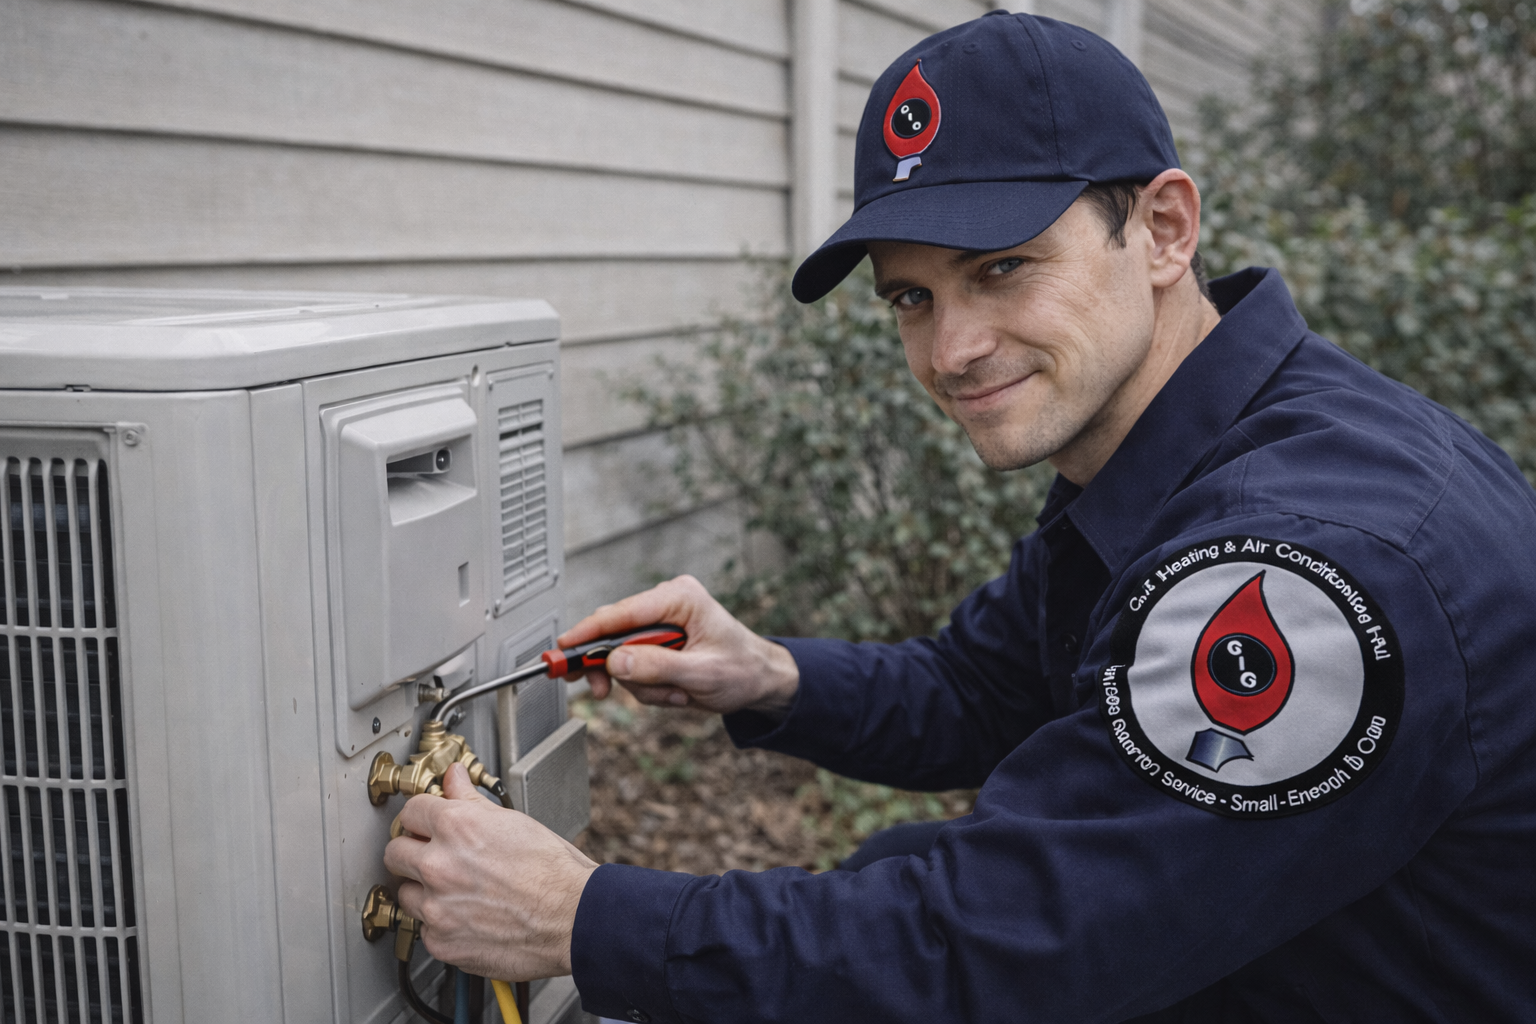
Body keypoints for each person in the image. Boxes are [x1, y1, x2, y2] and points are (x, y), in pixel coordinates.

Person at [385, 11, 1536, 1022]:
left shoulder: (1305, 562)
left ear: (1166, 231)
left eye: (1001, 268)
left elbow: (1007, 947)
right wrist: (770, 675)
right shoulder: (1165, 443)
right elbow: (992, 685)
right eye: (912, 296)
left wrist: (585, 919)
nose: (951, 350)